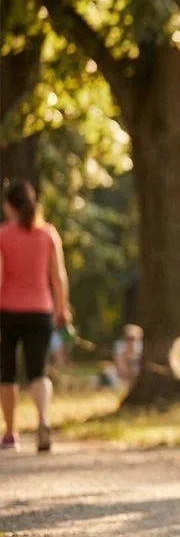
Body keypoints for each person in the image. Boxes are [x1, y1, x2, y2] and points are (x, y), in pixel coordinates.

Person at [0, 179, 72, 453]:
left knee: (7, 372)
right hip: (41, 310)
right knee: (38, 371)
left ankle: (10, 433)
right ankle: (43, 419)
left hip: (7, 311)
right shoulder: (48, 234)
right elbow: (58, 277)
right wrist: (62, 309)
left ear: (9, 206)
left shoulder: (3, 236)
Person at [98, 324, 143, 389]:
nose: (131, 341)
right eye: (129, 338)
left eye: (133, 338)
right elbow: (119, 363)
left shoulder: (141, 347)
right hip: (121, 373)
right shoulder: (119, 345)